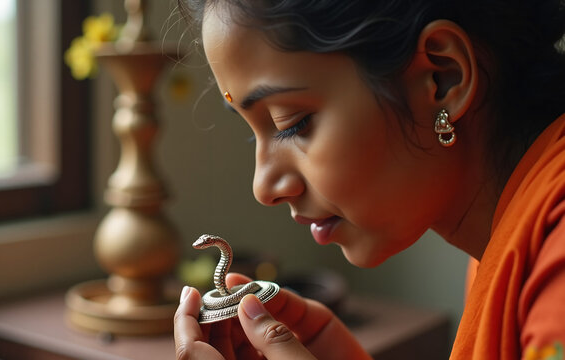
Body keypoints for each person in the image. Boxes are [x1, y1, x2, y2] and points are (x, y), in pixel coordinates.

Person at [172, 0, 565, 358]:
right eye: (250, 131)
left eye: (291, 123)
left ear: (441, 79)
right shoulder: (509, 238)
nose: (263, 187)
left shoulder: (555, 258)